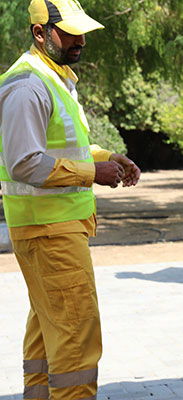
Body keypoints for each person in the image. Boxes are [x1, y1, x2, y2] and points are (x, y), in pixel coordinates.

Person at [0, 1, 141, 398]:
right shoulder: (28, 86)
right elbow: (25, 162)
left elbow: (63, 149)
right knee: (77, 336)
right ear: (40, 33)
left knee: (48, 330)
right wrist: (93, 173)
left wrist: (106, 157)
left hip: (51, 230)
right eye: (70, 33)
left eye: (82, 32)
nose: (80, 41)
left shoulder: (51, 78)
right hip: (49, 231)